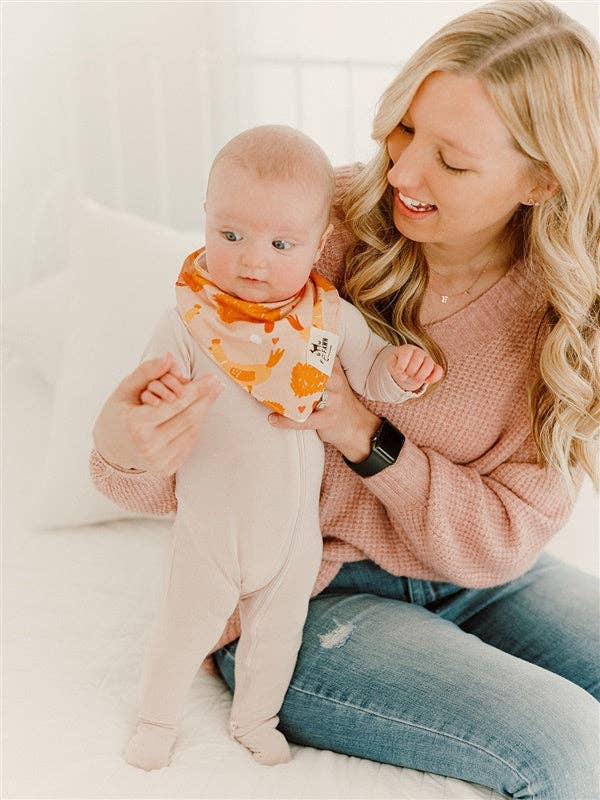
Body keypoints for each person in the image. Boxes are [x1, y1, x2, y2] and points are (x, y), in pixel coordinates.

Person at [90, 0, 600, 796]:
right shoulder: (309, 226)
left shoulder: (569, 309)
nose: (400, 174)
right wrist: (127, 447)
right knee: (568, 746)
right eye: (402, 130)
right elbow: (192, 462)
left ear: (542, 179)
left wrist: (364, 430)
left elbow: (504, 537)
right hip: (313, 585)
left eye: (452, 161)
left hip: (484, 576)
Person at [119, 125, 442, 772]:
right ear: (205, 219)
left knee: (277, 631)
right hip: (210, 522)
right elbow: (153, 382)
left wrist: (399, 372)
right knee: (184, 627)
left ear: (319, 244)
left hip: (294, 529)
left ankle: (256, 718)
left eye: (281, 243)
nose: (252, 261)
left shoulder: (328, 318)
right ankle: (156, 718)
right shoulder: (189, 318)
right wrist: (156, 402)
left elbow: (371, 370)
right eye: (230, 235)